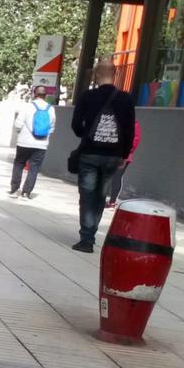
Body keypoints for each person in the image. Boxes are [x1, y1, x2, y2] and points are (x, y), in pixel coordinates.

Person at [70, 58, 136, 253]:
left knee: (87, 195)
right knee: (100, 195)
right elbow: (129, 130)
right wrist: (124, 154)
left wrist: (87, 136)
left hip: (89, 153)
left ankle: (86, 238)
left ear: (96, 75)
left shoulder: (87, 97)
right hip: (113, 156)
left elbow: (75, 125)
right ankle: (92, 232)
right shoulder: (126, 99)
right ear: (115, 74)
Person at [9, 86, 55, 199]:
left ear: (34, 94)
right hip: (41, 144)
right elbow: (52, 127)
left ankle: (15, 189)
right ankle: (26, 193)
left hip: (24, 142)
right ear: (46, 95)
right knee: (34, 168)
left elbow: (18, 124)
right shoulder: (51, 109)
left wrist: (21, 132)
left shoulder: (27, 106)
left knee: (19, 164)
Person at [106, 119, 142, 208]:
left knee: (110, 177)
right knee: (117, 177)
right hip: (124, 154)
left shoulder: (115, 120)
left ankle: (105, 200)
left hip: (113, 153)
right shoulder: (133, 123)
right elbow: (135, 140)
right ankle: (112, 201)